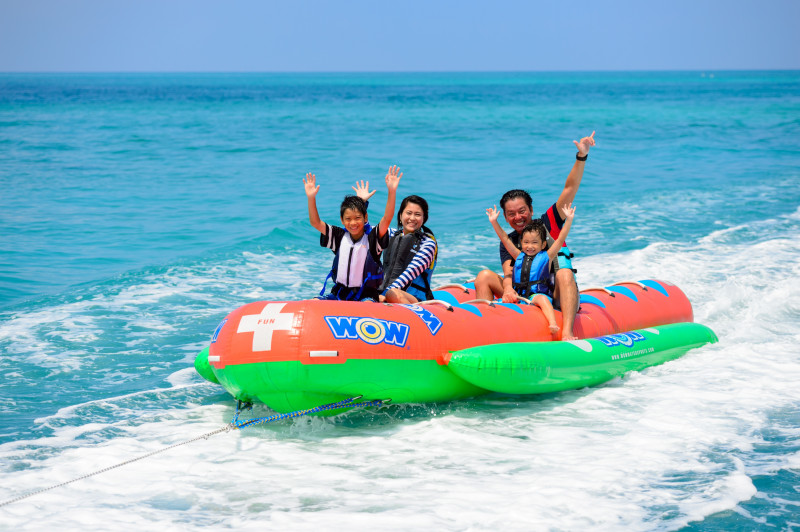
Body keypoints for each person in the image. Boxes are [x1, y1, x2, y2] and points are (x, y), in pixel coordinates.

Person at [473, 131, 595, 340]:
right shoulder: (509, 241)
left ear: (530, 210)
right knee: (484, 276)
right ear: (505, 217)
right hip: (525, 293)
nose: (518, 217)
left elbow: (570, 188)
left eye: (522, 211)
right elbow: (508, 273)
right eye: (511, 214)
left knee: (565, 273)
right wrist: (508, 291)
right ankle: (488, 331)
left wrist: (581, 156)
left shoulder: (549, 222)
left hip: (555, 293)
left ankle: (567, 331)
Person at [303, 166, 402, 301]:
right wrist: (311, 198)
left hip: (366, 296)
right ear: (342, 220)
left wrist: (392, 191)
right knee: (313, 302)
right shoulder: (338, 237)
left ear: (365, 218)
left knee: (367, 306)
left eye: (357, 218)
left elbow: (387, 218)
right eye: (348, 219)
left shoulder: (373, 239)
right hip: (340, 293)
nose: (353, 223)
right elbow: (315, 223)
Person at [487, 203, 576, 338]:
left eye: (534, 243)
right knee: (494, 303)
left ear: (543, 244)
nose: (530, 246)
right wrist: (494, 222)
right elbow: (504, 238)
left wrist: (568, 219)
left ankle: (552, 323)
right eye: (526, 242)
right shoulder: (518, 256)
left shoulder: (547, 256)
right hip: (520, 296)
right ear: (521, 243)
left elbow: (560, 239)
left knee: (543, 299)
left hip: (536, 295)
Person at [351, 182, 437, 304]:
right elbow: (365, 230)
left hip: (415, 300)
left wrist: (385, 295)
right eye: (408, 213)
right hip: (386, 294)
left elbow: (409, 274)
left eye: (417, 214)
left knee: (393, 294)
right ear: (401, 216)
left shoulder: (427, 244)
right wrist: (361, 203)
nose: (412, 218)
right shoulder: (391, 235)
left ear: (424, 218)